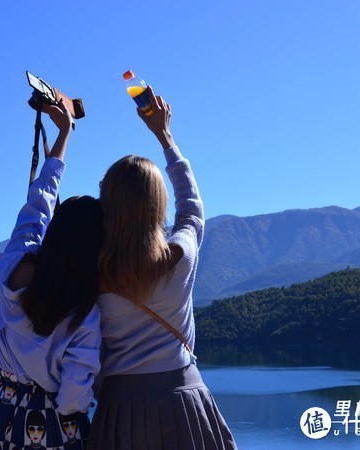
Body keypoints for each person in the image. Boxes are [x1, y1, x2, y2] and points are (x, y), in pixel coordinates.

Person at [87, 86, 238, 449]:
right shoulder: (179, 257)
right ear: (158, 205)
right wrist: (164, 134)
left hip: (119, 411)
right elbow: (192, 209)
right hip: (185, 401)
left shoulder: (95, 270)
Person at [0, 98, 103, 450]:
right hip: (53, 425)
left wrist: (63, 135)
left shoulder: (14, 263)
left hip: (1, 408)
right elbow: (74, 397)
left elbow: (41, 199)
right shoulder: (86, 313)